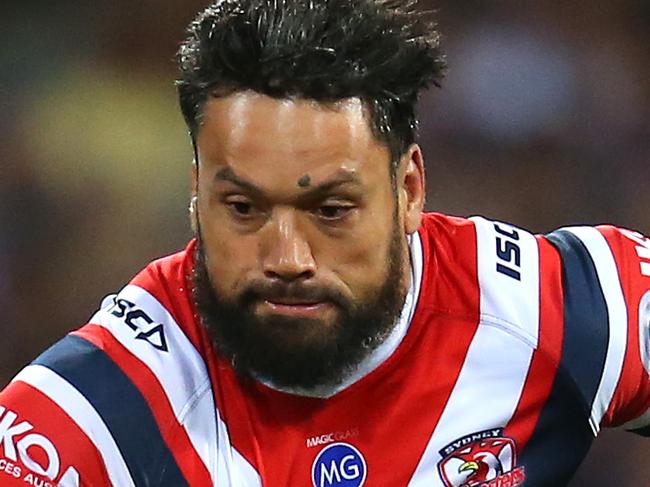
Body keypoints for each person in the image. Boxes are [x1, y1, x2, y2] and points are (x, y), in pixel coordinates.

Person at [1, 0, 648, 486]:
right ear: (197, 193)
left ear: (410, 189)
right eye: (245, 207)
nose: (287, 258)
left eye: (331, 209)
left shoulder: (553, 312)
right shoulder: (96, 416)